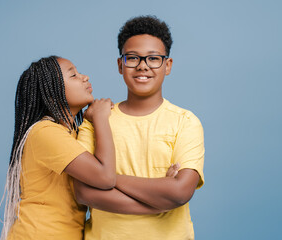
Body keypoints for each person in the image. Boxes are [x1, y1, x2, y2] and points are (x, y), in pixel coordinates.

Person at [75, 15, 205, 240]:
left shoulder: (185, 121)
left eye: (154, 58)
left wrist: (106, 179)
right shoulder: (96, 119)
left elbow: (180, 192)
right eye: (133, 58)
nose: (143, 66)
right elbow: (83, 192)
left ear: (168, 65)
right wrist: (159, 197)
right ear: (120, 64)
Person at [0, 56, 116, 240]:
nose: (85, 77)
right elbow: (106, 178)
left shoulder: (72, 135)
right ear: (52, 93)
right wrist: (101, 117)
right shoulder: (45, 132)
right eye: (73, 75)